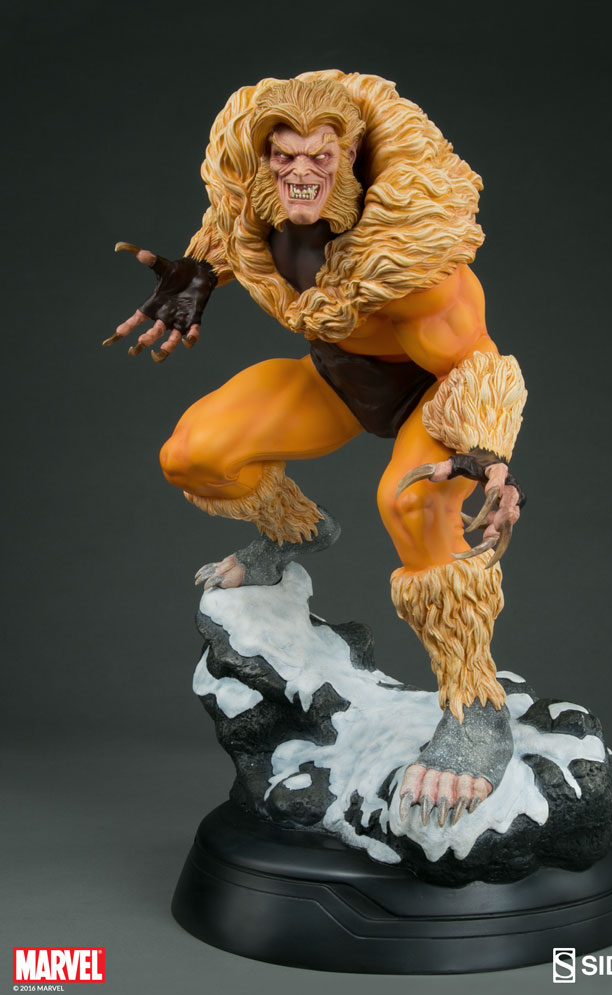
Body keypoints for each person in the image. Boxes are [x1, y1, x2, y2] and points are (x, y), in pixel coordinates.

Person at [106, 72, 527, 827]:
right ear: (264, 159)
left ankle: (475, 708)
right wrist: (195, 275)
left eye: (319, 158)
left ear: (350, 162)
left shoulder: (416, 272)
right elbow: (223, 239)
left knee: (414, 506)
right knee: (195, 454)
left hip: (432, 394)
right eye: (284, 157)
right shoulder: (252, 211)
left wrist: (485, 455)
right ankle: (294, 531)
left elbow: (477, 365)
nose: (300, 172)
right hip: (336, 379)